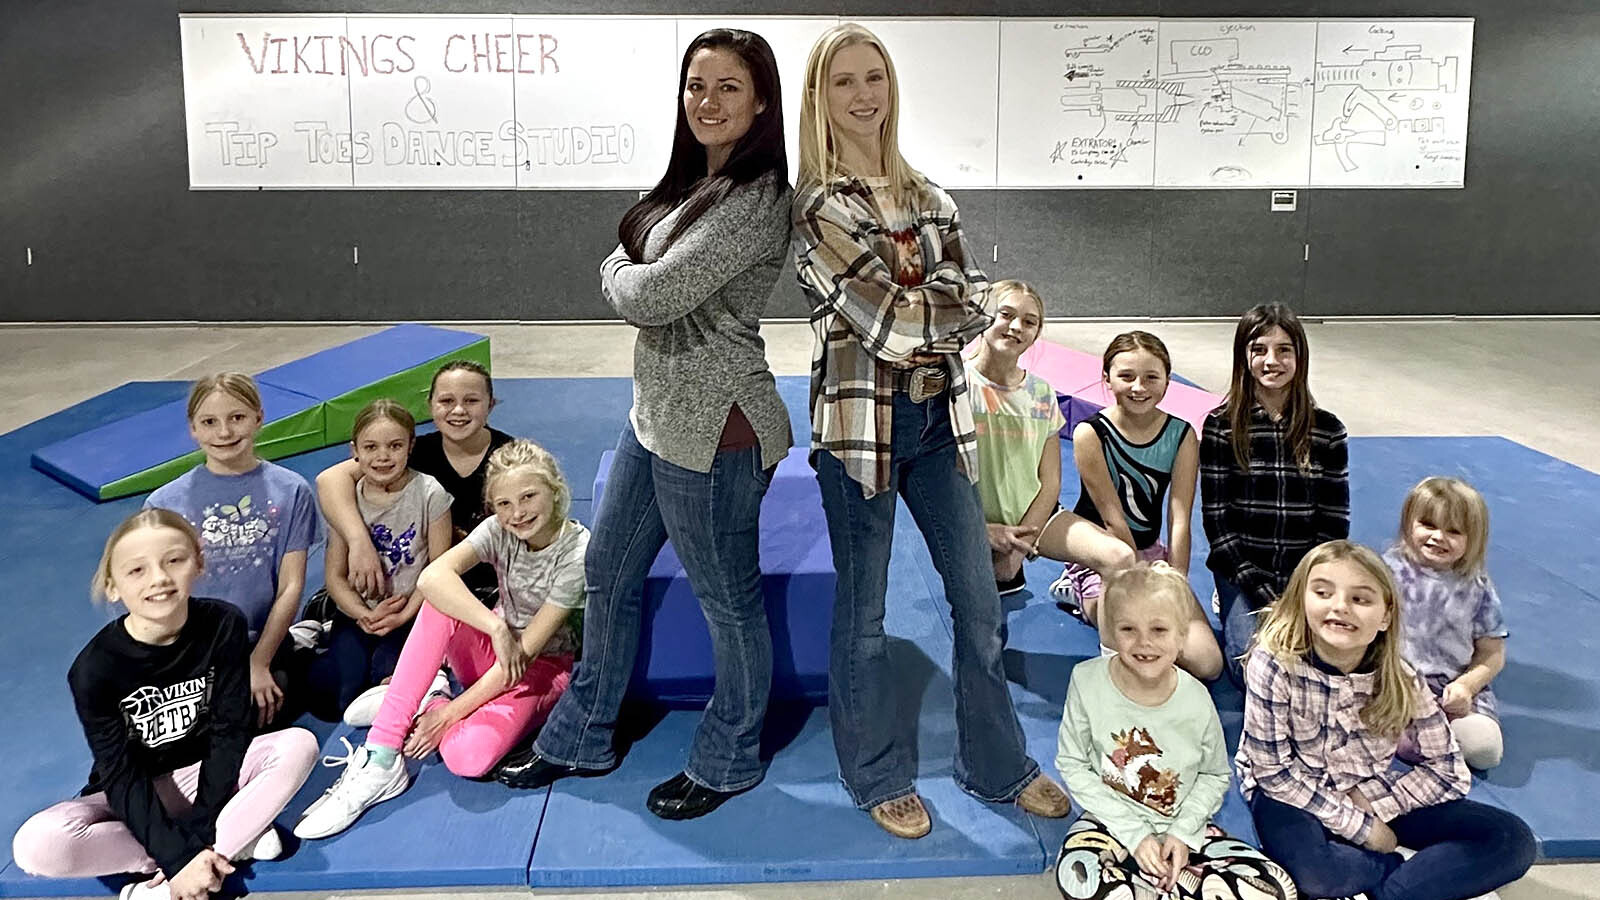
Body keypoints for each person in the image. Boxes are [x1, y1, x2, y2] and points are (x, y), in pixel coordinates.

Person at [490, 28, 794, 823]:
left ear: (761, 100)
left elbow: (649, 293)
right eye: (697, 85)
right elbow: (638, 267)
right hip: (655, 417)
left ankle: (730, 758)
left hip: (720, 428)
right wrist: (633, 270)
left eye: (728, 87)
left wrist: (624, 271)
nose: (708, 101)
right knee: (608, 576)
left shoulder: (758, 198)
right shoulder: (690, 182)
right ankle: (584, 734)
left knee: (727, 602)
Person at [791, 22, 1069, 839]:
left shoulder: (931, 197)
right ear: (820, 97)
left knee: (980, 604)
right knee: (864, 617)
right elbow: (896, 326)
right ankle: (874, 772)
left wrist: (943, 305)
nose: (863, 94)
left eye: (873, 76)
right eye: (843, 81)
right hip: (859, 432)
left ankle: (997, 764)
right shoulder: (817, 207)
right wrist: (945, 302)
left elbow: (975, 298)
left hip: (937, 424)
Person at [11, 510, 317, 900]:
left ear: (198, 563)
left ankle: (187, 871)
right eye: (137, 571)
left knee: (297, 745)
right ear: (112, 586)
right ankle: (220, 848)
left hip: (208, 779)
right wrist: (176, 855)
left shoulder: (223, 623)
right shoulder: (94, 668)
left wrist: (202, 831)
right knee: (38, 844)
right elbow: (121, 774)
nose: (159, 578)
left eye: (174, 560)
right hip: (135, 796)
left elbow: (229, 732)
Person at [293, 441, 587, 839]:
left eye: (528, 497)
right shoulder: (499, 529)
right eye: (503, 504)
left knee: (468, 758)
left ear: (554, 490)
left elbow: (521, 655)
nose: (517, 513)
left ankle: (430, 696)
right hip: (494, 645)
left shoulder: (576, 552)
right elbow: (432, 578)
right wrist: (496, 626)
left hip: (538, 668)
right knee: (440, 602)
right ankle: (382, 753)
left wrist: (446, 716)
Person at [1238, 540, 1535, 900]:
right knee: (1317, 877)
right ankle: (1399, 874)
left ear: (1385, 617)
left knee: (1511, 838)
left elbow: (1448, 771)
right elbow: (1273, 773)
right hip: (1295, 796)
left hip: (1371, 791)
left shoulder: (1402, 678)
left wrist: (1376, 805)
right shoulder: (1273, 664)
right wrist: (1364, 830)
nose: (1339, 607)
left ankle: (1390, 891)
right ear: (1302, 600)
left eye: (1360, 599)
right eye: (1322, 592)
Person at [1054, 562, 1294, 900]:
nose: (1144, 643)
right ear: (1110, 629)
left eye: (1159, 630)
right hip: (1109, 824)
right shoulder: (1086, 680)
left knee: (1276, 887)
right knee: (1079, 875)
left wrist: (1182, 834)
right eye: (1128, 630)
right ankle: (1170, 886)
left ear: (1182, 635)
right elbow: (1072, 764)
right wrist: (1134, 835)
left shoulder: (1195, 698)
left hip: (1183, 825)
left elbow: (1214, 774)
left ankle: (1166, 883)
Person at [145, 373, 319, 731]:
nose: (224, 433)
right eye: (209, 422)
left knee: (248, 714)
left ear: (259, 417)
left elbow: (290, 586)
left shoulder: (291, 491)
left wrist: (259, 663)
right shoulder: (165, 503)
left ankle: (300, 645)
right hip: (191, 653)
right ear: (193, 428)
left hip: (260, 645)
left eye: (236, 418)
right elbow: (157, 594)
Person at [1054, 330, 1220, 680]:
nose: (1138, 387)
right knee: (1134, 641)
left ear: (1167, 380)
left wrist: (1176, 581)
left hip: (1151, 553)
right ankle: (1078, 586)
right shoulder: (1090, 433)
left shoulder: (1181, 434)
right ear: (1107, 378)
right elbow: (1114, 518)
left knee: (1207, 663)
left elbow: (1179, 517)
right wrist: (1138, 584)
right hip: (1108, 553)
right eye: (1126, 376)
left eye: (1151, 377)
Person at [1200, 304, 1348, 685]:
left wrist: (1304, 590)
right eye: (1259, 350)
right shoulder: (1221, 427)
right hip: (1244, 572)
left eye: (1284, 350)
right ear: (1244, 357)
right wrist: (1264, 594)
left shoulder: (1328, 430)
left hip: (1305, 577)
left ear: (1300, 356)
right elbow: (1219, 525)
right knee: (1253, 670)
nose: (1272, 361)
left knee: (1328, 665)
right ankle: (1230, 604)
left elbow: (1333, 525)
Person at [963, 280, 1133, 599]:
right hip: (970, 525)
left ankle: (1110, 642)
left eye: (1029, 322)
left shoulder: (1040, 393)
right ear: (984, 316)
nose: (1016, 327)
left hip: (1034, 520)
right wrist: (980, 533)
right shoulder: (958, 385)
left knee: (1120, 557)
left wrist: (1020, 544)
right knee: (980, 615)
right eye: (1006, 314)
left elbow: (1051, 480)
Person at [316, 360, 512, 609]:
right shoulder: (411, 452)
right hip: (419, 584)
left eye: (471, 401)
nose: (459, 410)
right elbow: (329, 480)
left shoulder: (510, 458)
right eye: (446, 401)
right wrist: (359, 542)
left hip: (487, 586)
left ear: (490, 404)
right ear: (430, 405)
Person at [302, 399, 452, 724]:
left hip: (410, 612)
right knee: (334, 700)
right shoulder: (347, 500)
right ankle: (311, 639)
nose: (383, 456)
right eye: (371, 447)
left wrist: (404, 615)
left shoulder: (430, 494)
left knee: (390, 679)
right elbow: (335, 577)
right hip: (359, 613)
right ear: (354, 450)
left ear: (411, 446)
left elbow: (439, 571)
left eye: (394, 446)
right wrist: (364, 615)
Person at [1384, 476, 1507, 770]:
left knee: (1484, 750)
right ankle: (1416, 738)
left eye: (1453, 531)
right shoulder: (1384, 572)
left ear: (1473, 539)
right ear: (1408, 524)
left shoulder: (1477, 587)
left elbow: (1492, 653)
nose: (1438, 537)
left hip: (1450, 690)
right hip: (1393, 685)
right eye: (1428, 525)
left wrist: (1466, 686)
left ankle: (1430, 738)